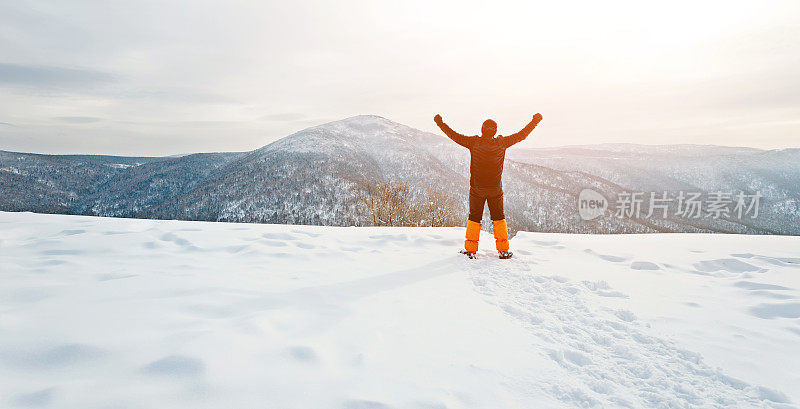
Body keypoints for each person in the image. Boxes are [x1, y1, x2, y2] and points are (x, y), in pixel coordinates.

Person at [434, 113, 543, 259]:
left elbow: (453, 135)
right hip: (495, 189)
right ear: (495, 131)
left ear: (482, 130)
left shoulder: (474, 142)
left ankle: (471, 250)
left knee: (474, 218)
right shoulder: (502, 143)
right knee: (498, 218)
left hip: (477, 189)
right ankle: (503, 250)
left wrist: (440, 123)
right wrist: (534, 121)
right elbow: (522, 135)